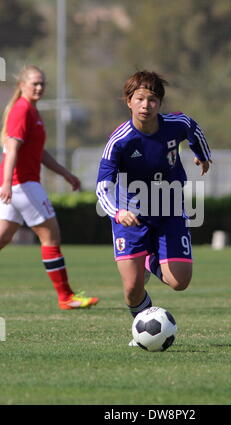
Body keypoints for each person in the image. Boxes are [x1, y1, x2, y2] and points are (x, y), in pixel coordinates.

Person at [96, 70, 211, 345]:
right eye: (140, 99)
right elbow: (103, 185)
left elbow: (194, 130)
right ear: (129, 101)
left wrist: (203, 156)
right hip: (131, 217)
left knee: (180, 282)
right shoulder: (120, 141)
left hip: (169, 210)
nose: (146, 105)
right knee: (132, 289)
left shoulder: (176, 124)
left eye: (152, 100)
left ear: (160, 103)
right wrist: (117, 212)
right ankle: (143, 330)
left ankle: (150, 259)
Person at [0, 65, 99, 310]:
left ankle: (66, 296)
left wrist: (66, 174)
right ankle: (66, 296)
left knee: (2, 237)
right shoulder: (22, 110)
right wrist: (7, 184)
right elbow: (11, 149)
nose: (39, 87)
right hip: (23, 185)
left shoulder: (32, 111)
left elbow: (38, 153)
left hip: (17, 185)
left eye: (42, 83)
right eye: (34, 83)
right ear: (21, 85)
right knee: (50, 236)